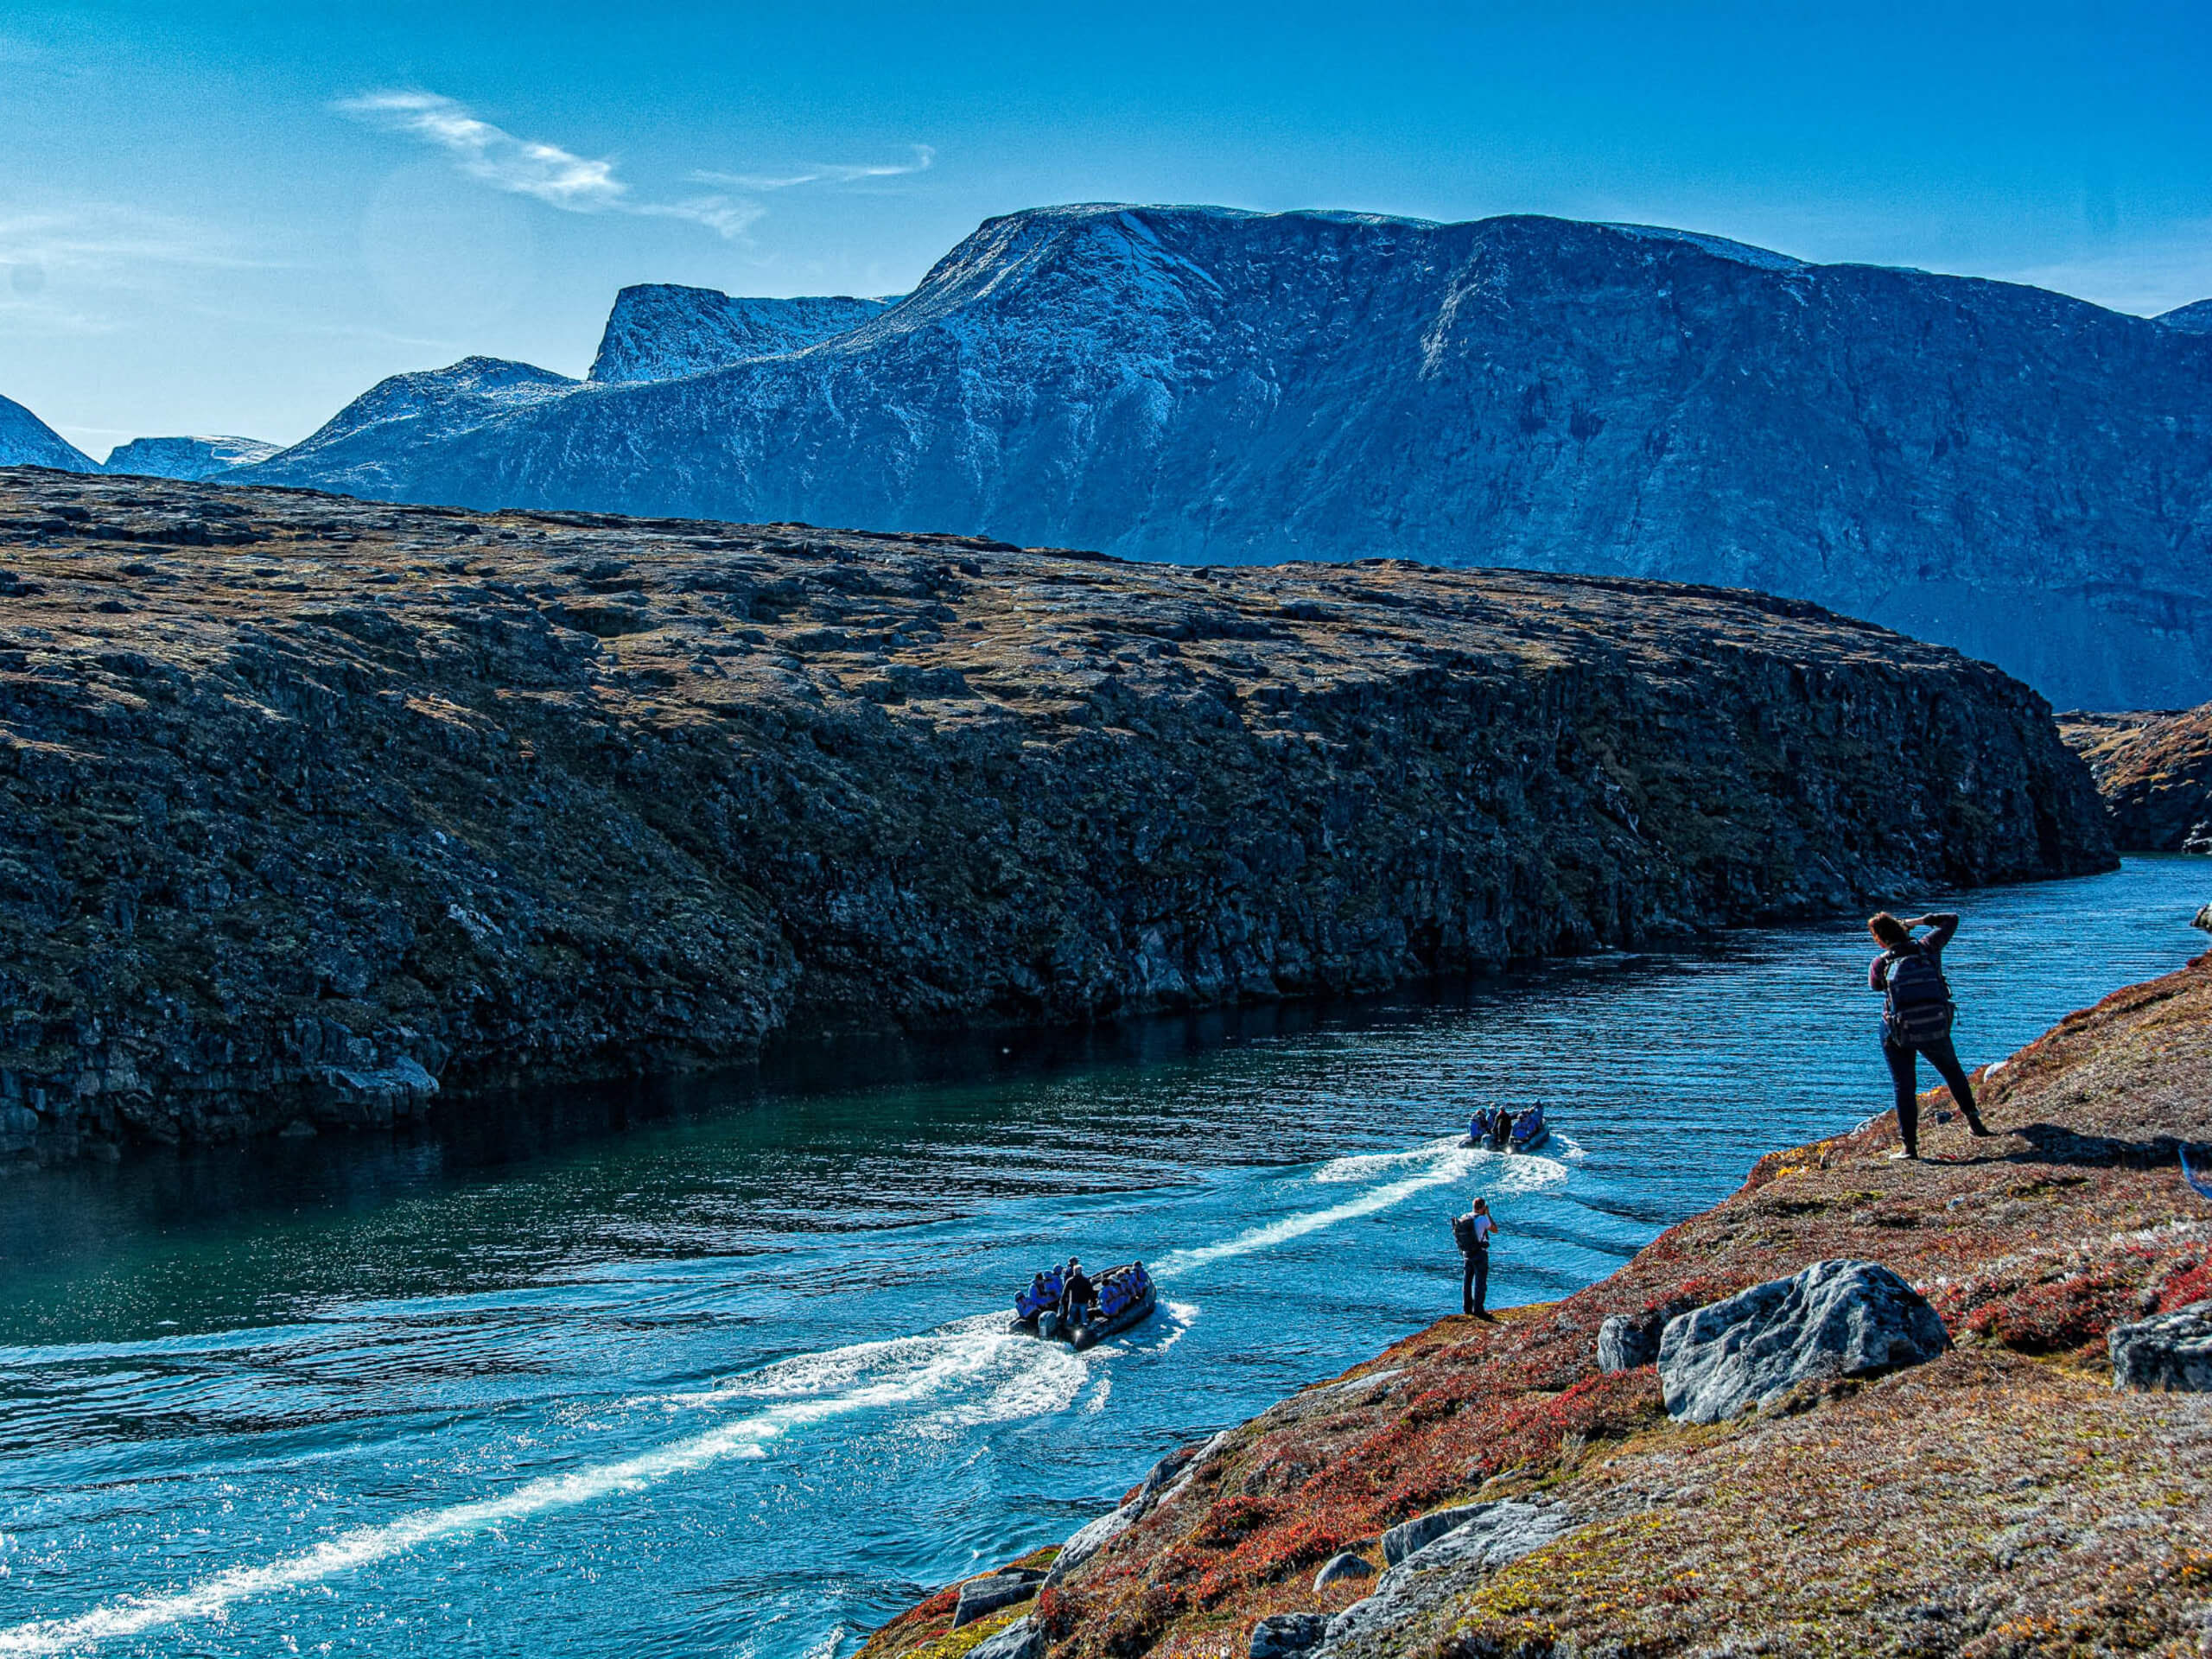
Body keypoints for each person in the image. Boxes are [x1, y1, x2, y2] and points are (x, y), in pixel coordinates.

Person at [1868, 911, 1992, 1160]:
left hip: (1900, 1030)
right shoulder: (1928, 947)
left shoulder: (1881, 962)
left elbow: (1876, 986)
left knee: (1904, 1084)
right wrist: (1914, 923)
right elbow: (1952, 919)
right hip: (1934, 1025)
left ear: (1880, 940)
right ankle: (1974, 1121)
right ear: (1902, 929)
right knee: (1952, 1070)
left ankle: (1909, 1147)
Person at [1455, 1198, 1499, 1317]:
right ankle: (1478, 1310)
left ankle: (1467, 1308)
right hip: (1479, 1253)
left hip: (1467, 1253)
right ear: (1483, 1207)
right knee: (1480, 1282)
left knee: (1467, 1282)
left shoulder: (1464, 1217)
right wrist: (1488, 1214)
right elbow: (1495, 1229)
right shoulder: (1482, 1219)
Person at [1061, 1259, 1096, 1326]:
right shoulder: (1086, 1280)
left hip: (1074, 1301)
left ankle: (1068, 1329)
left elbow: (1065, 1292)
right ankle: (1084, 1330)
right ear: (1081, 1271)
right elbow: (1090, 1291)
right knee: (1084, 1318)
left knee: (1071, 1317)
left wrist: (1063, 1301)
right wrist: (1093, 1300)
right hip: (1083, 1302)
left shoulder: (1070, 1280)